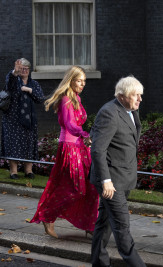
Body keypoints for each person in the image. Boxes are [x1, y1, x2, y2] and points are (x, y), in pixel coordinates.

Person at [30, 66, 98, 239]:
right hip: (69, 148)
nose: (82, 84)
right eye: (79, 80)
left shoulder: (76, 98)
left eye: (84, 81)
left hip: (80, 147)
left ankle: (90, 225)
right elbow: (69, 124)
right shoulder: (66, 99)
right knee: (76, 189)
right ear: (71, 80)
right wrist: (84, 134)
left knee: (91, 186)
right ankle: (48, 215)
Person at [90, 75, 145, 267]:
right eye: (135, 95)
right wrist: (105, 180)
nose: (139, 99)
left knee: (104, 224)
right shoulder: (109, 113)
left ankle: (98, 263)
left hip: (123, 178)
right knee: (122, 227)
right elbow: (97, 149)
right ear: (121, 96)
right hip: (111, 182)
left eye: (140, 95)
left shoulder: (131, 110)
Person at [0, 59, 44, 179]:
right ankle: (13, 172)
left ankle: (28, 171)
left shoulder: (34, 84)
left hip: (29, 119)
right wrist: (15, 71)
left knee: (29, 144)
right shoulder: (14, 80)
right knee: (13, 144)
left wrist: (29, 90)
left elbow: (40, 98)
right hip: (12, 119)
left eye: (26, 68)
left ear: (29, 70)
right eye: (22, 68)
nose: (24, 70)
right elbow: (9, 84)